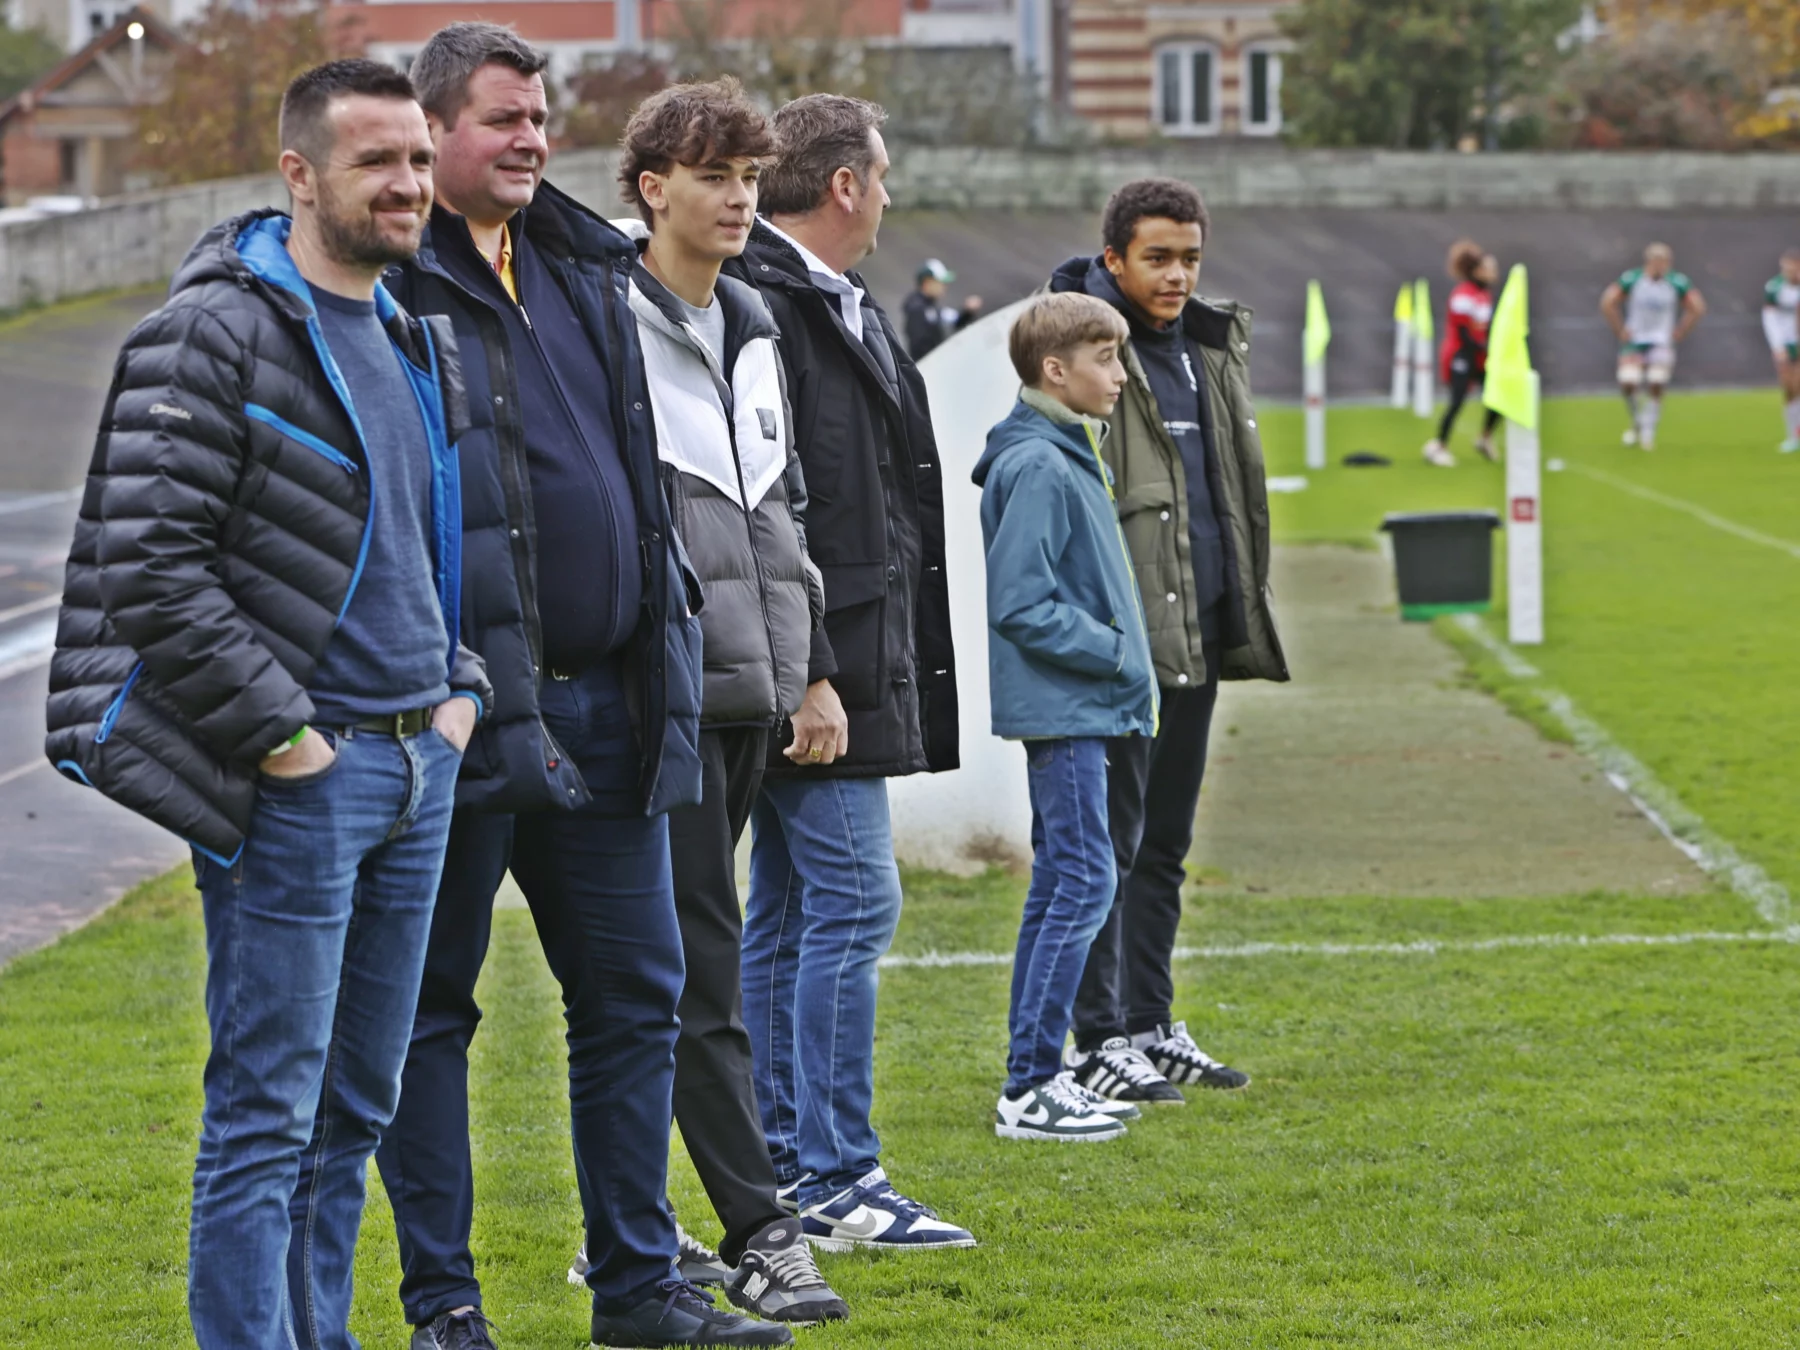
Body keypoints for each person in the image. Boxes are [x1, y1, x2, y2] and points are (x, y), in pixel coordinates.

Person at [44, 58, 490, 1350]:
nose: (410, 183)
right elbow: (150, 564)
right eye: (377, 163)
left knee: (356, 1104)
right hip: (308, 778)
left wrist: (457, 695)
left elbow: (432, 544)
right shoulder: (215, 330)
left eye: (417, 158)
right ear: (298, 173)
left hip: (418, 761)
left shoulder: (408, 328)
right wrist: (287, 742)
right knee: (267, 1113)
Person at [365, 27, 775, 1350]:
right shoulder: (389, 281)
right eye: (503, 120)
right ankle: (446, 1305)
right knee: (432, 1010)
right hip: (466, 712)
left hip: (609, 704)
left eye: (541, 118)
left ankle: (638, 1290)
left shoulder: (588, 268)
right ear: (432, 138)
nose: (533, 139)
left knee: (638, 994)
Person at [615, 76, 850, 1330]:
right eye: (716, 176)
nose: (742, 198)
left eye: (752, 177)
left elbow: (782, 510)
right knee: (695, 972)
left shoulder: (754, 315)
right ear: (654, 189)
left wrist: (810, 668)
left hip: (758, 692)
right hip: (670, 705)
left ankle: (639, 1235)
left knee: (681, 972)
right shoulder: (604, 318)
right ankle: (763, 1232)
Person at [731, 93, 974, 1253]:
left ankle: (784, 1165)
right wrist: (813, 670)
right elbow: (770, 507)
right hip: (817, 664)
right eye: (880, 174)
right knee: (851, 902)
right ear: (843, 186)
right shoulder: (766, 304)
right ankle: (833, 1177)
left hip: (841, 653)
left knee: (786, 909)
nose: (887, 194)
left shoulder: (828, 297)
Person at [1046, 177, 1287, 1108]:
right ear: (1113, 259)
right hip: (1123, 647)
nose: (1178, 275)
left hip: (1199, 631)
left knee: (1165, 844)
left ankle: (1148, 1021)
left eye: (1190, 257)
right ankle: (1099, 1035)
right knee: (1110, 844)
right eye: (1157, 257)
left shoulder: (1209, 348)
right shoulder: (1079, 351)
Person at [974, 293, 1157, 1142]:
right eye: (1106, 359)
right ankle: (1031, 1084)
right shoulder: (1042, 463)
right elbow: (1023, 604)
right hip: (1069, 707)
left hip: (1082, 706)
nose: (1120, 375)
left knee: (1069, 880)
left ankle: (1040, 1073)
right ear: (1056, 370)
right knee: (1081, 881)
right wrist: (1120, 651)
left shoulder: (1067, 448)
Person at [1600, 243, 1705, 452]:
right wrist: (1620, 330)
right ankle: (1638, 421)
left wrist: (1681, 330)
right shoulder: (1632, 279)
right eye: (1657, 262)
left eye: (1664, 262)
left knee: (1657, 382)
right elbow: (1608, 301)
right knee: (1628, 382)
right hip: (1635, 339)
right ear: (1649, 262)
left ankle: (1648, 433)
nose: (1661, 266)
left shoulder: (1677, 281)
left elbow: (1697, 307)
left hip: (1661, 340)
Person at [1422, 242, 1501, 468]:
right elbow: (1464, 334)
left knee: (1498, 396)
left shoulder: (1484, 294)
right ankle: (1439, 446)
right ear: (1476, 270)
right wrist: (1485, 348)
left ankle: (1484, 438)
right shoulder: (1463, 295)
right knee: (1456, 402)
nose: (1493, 272)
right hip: (1461, 355)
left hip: (1479, 356)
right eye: (1489, 267)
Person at [902, 257, 982, 359]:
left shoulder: (932, 308)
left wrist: (967, 312)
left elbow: (955, 320)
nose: (944, 286)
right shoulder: (917, 309)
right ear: (927, 282)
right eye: (941, 282)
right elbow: (919, 345)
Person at [1760, 248, 1800, 453]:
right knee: (1789, 389)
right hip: (1785, 343)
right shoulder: (1775, 288)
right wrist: (1777, 346)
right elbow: (1769, 318)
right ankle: (1793, 435)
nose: (1790, 271)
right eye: (1787, 267)